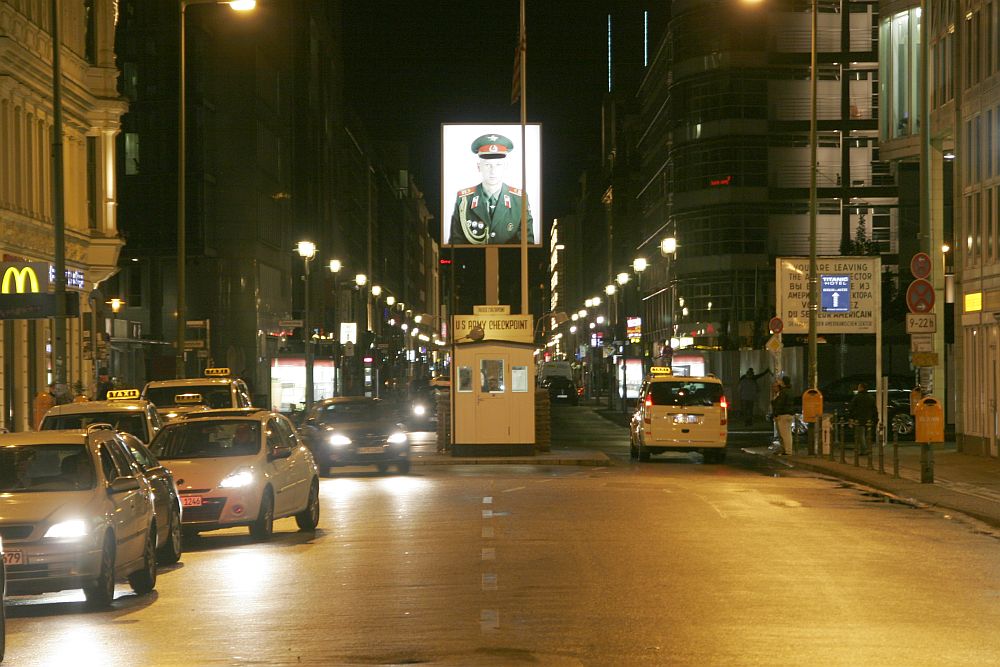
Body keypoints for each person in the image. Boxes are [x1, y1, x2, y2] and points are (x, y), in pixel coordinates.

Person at [449, 133, 534, 245]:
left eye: (498, 165)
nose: (493, 171)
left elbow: (527, 244)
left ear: (505, 166)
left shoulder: (519, 199)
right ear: (479, 167)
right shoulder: (464, 199)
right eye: (488, 165)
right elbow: (456, 242)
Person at [848, 382, 878, 454]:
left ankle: (864, 450)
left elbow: (852, 408)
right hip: (869, 419)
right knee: (868, 435)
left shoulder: (857, 397)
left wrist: (851, 417)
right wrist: (876, 419)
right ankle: (869, 449)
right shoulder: (871, 397)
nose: (858, 388)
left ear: (861, 388)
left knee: (861, 435)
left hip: (859, 419)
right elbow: (874, 409)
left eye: (859, 387)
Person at [771, 376, 795, 455]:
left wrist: (775, 413)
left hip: (784, 414)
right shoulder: (788, 391)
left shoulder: (784, 392)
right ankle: (785, 450)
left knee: (785, 434)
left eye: (781, 381)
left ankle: (788, 451)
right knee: (784, 434)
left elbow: (779, 404)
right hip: (787, 414)